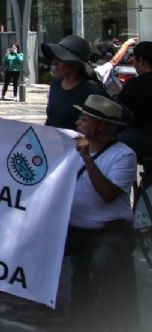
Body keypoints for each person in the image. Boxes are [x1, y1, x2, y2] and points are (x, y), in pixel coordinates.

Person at [65, 95, 138, 329]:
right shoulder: (72, 147)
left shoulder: (124, 155)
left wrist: (86, 158)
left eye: (84, 118)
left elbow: (107, 194)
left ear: (101, 125)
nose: (77, 122)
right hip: (77, 231)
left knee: (104, 273)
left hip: (109, 233)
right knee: (81, 289)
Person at [43, 35, 106, 131]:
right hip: (53, 143)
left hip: (77, 145)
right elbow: (51, 120)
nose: (55, 63)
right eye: (54, 58)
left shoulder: (91, 89)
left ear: (75, 64)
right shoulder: (55, 84)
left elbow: (106, 124)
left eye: (61, 59)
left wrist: (87, 141)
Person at [117, 41, 152, 167]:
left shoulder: (134, 85)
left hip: (141, 142)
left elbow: (119, 112)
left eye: (134, 60)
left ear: (141, 60)